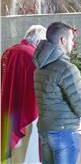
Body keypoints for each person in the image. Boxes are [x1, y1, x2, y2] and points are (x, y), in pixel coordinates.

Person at [33, 22, 81, 164]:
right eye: (71, 39)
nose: (73, 43)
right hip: (63, 131)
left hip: (45, 129)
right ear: (63, 40)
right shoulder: (67, 68)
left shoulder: (40, 67)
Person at [1, 25, 46, 163]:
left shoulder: (9, 51)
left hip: (9, 103)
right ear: (39, 42)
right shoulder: (31, 55)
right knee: (25, 156)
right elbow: (38, 85)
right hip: (26, 113)